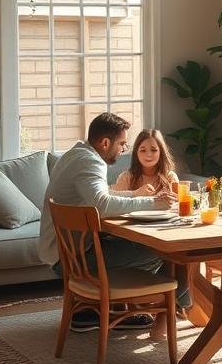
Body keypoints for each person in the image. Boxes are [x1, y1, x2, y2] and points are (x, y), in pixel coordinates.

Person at [39, 113, 189, 332]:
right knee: (165, 250)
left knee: (145, 246)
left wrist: (136, 196)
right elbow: (103, 205)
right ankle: (174, 305)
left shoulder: (74, 155)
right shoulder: (90, 162)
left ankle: (111, 309)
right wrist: (153, 202)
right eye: (121, 144)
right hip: (74, 261)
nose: (123, 149)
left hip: (65, 253)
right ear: (105, 142)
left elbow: (99, 199)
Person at [111, 129, 180, 196]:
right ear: (136, 153)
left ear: (161, 152)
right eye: (143, 150)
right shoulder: (126, 177)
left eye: (153, 150)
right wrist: (135, 194)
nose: (148, 154)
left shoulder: (170, 177)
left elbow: (177, 204)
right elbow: (116, 203)